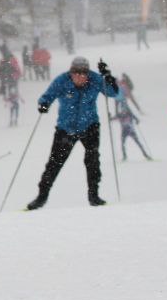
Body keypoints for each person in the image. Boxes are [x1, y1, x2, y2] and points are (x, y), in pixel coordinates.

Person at [25, 56, 121, 210]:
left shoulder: (96, 80)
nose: (79, 76)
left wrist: (108, 77)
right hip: (65, 129)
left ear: (88, 73)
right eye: (76, 73)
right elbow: (48, 95)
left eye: (83, 73)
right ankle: (41, 197)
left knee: (93, 160)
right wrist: (44, 104)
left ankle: (94, 195)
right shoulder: (62, 80)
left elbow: (113, 93)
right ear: (71, 72)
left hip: (90, 126)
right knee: (54, 163)